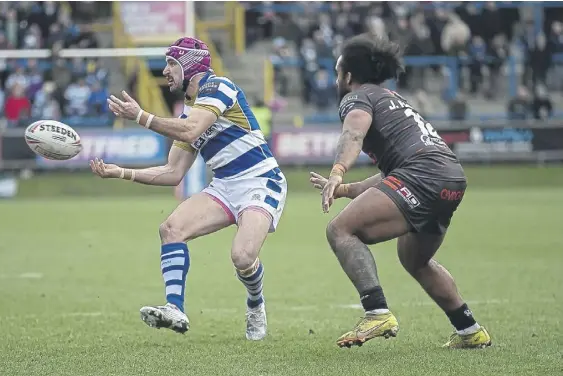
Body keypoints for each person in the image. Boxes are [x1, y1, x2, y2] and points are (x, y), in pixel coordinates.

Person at [90, 37, 287, 341]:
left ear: (190, 64)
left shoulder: (219, 87)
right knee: (171, 228)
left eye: (171, 63)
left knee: (243, 257)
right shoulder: (188, 114)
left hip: (261, 179)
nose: (165, 71)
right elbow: (172, 172)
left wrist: (141, 116)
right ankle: (174, 307)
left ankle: (255, 303)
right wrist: (122, 172)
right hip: (225, 185)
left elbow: (193, 129)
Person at [309, 35, 491, 349]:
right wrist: (346, 189)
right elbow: (391, 177)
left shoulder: (357, 97)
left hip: (423, 174)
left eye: (339, 72)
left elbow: (354, 132)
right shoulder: (392, 98)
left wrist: (337, 171)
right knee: (414, 259)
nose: (338, 78)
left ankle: (376, 311)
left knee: (340, 230)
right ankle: (470, 330)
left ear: (348, 76)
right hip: (449, 176)